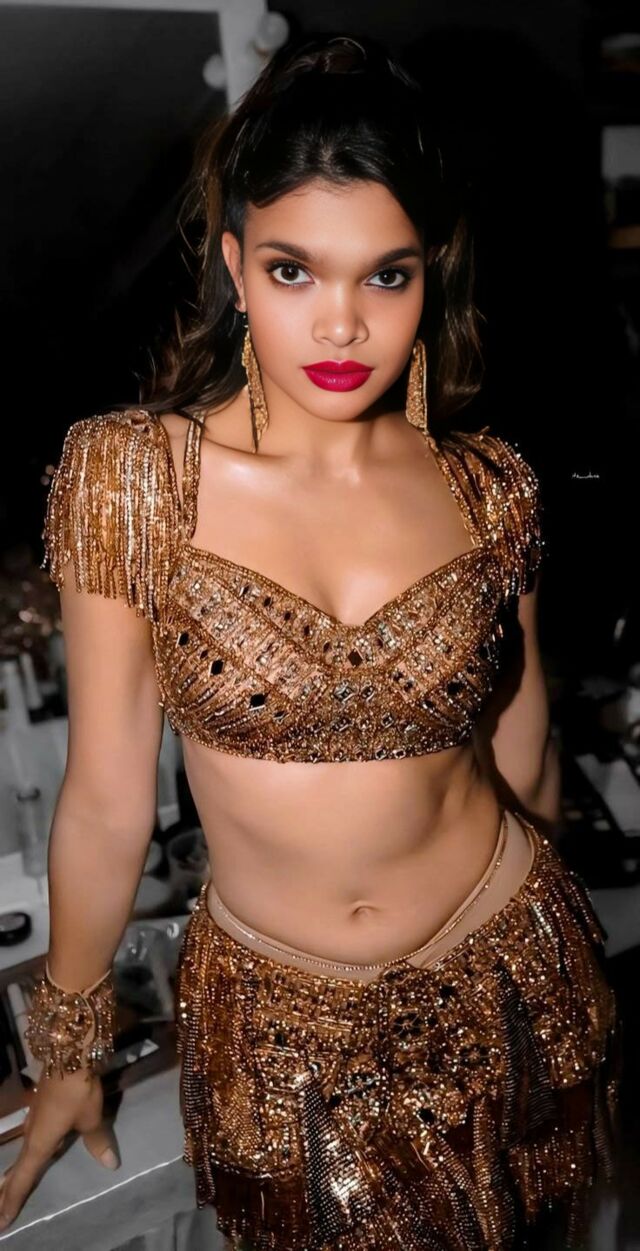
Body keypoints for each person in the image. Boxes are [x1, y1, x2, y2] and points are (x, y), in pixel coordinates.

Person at [1, 30, 620, 1251]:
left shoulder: (489, 486)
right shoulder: (133, 480)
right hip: (283, 1040)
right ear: (236, 266)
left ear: (430, 274)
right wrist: (71, 1054)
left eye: (385, 276)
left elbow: (526, 751)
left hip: (516, 980)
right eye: (295, 271)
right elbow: (108, 802)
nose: (341, 325)